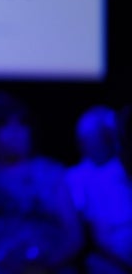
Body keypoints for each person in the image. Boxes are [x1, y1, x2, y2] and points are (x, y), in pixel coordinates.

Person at [0, 90, 83, 274]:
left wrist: (49, 262)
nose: (15, 132)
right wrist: (0, 257)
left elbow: (74, 233)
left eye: (22, 124)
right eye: (5, 125)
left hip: (50, 263)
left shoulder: (51, 171)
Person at [65, 104, 132, 274]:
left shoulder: (124, 167)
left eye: (104, 136)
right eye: (88, 138)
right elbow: (82, 225)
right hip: (103, 252)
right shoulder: (75, 176)